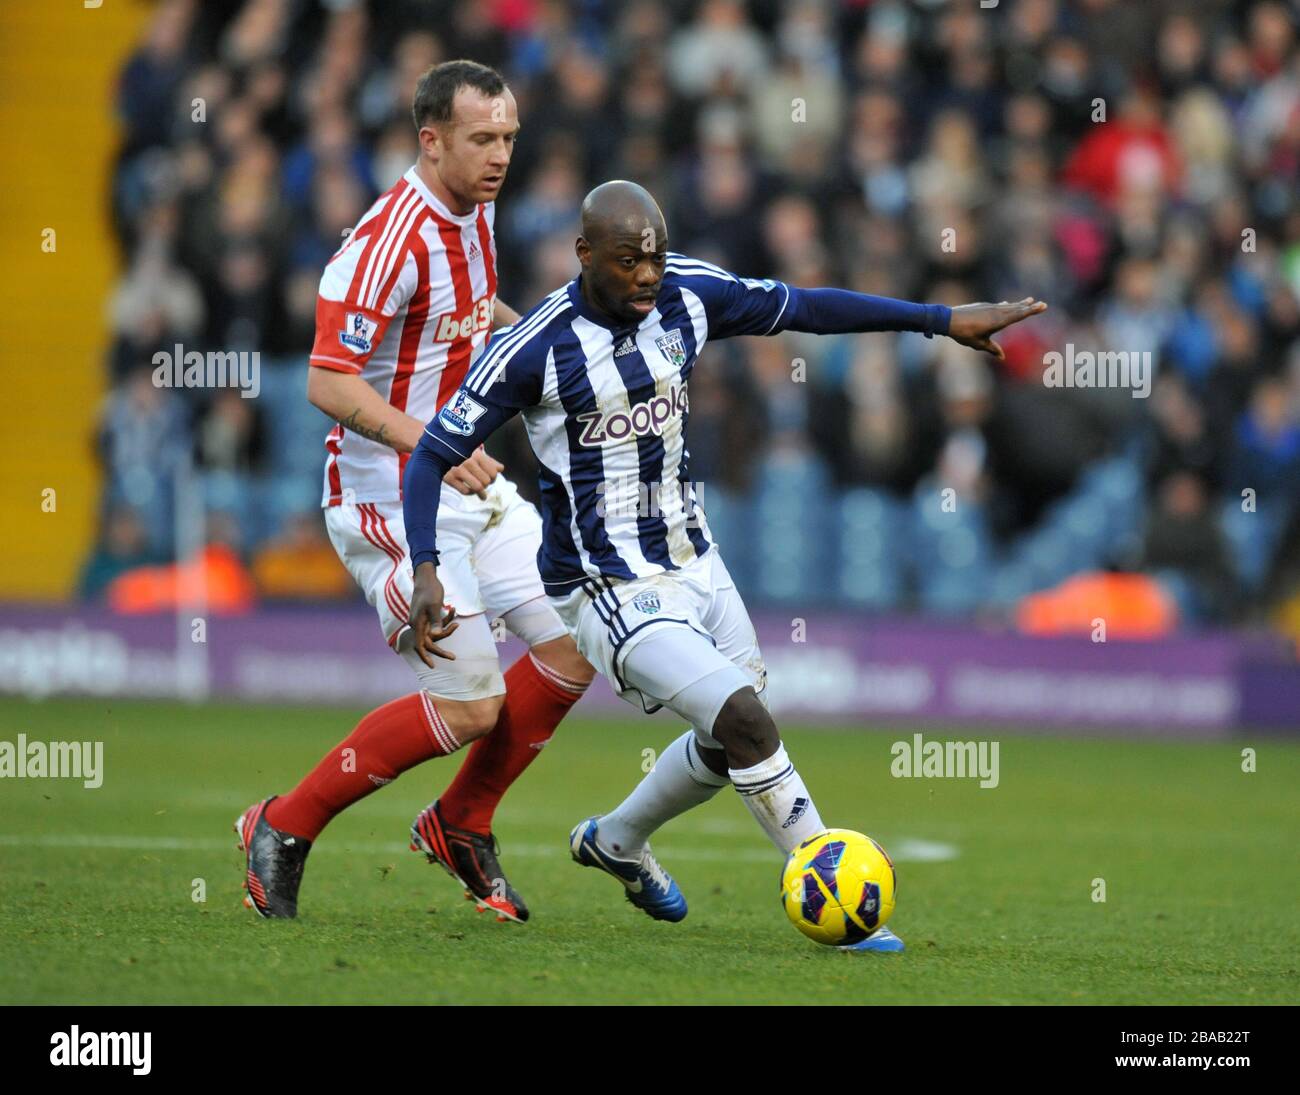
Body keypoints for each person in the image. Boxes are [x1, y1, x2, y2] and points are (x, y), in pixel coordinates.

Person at [402, 180, 1046, 950]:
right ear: (583, 255)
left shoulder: (690, 294)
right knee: (745, 715)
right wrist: (429, 568)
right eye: (628, 259)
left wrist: (940, 321)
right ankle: (826, 883)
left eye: (656, 256)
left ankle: (616, 839)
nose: (647, 274)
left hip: (695, 559)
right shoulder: (535, 347)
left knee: (725, 739)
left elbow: (807, 306)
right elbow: (432, 453)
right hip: (607, 584)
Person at [235, 61, 596, 923]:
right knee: (474, 703)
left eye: (508, 137)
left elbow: (467, 311)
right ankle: (282, 825)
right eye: (482, 139)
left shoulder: (477, 204)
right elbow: (327, 381)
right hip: (384, 500)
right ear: (430, 141)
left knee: (579, 639)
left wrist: (553, 339)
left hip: (467, 485)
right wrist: (430, 439)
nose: (501, 155)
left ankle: (461, 822)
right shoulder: (387, 241)